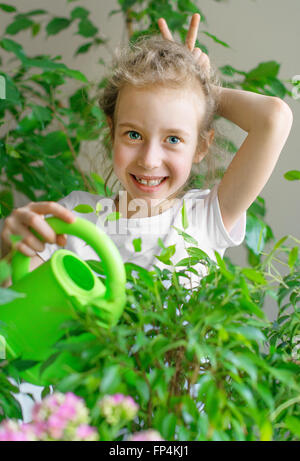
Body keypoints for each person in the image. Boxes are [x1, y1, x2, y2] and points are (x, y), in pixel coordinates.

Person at [0, 12, 293, 419]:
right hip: (84, 421)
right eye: (133, 134)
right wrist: (7, 245)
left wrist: (201, 88)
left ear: (202, 147)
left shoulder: (207, 217)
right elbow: (16, 310)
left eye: (174, 138)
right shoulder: (73, 214)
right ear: (111, 131)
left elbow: (274, 118)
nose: (150, 159)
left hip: (175, 422)